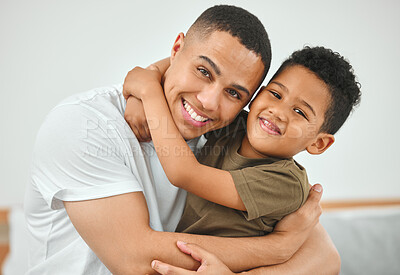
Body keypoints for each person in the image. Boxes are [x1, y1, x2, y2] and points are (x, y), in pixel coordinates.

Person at [24, 5, 339, 275]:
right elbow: (134, 258)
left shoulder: (229, 134)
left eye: (233, 93)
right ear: (176, 50)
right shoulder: (85, 125)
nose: (208, 101)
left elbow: (325, 258)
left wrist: (147, 85)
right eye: (203, 70)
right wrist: (277, 248)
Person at [122, 46, 361, 239]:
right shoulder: (237, 126)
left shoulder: (286, 184)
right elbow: (183, 64)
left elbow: (183, 173)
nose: (277, 112)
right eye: (276, 95)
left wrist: (148, 92)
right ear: (256, 95)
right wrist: (148, 79)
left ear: (319, 144)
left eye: (299, 112)